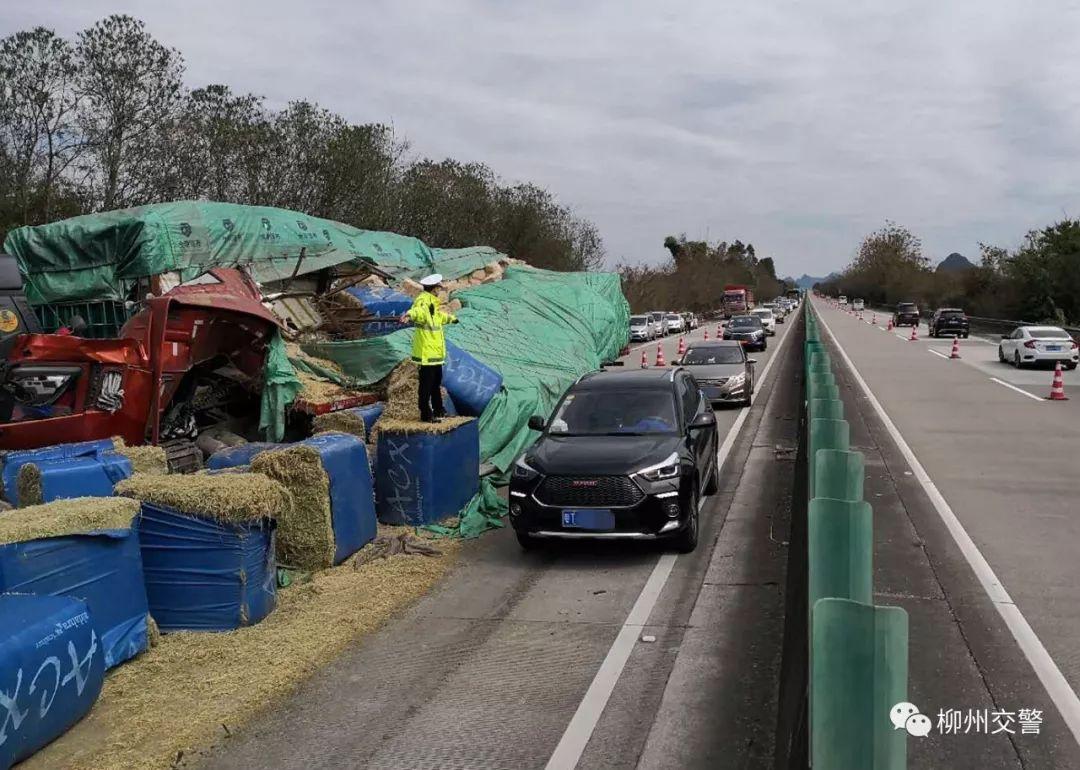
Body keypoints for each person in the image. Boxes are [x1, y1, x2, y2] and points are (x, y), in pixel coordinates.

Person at [399, 273, 458, 422]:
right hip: (427, 352)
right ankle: (426, 414)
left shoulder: (432, 302)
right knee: (426, 386)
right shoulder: (423, 301)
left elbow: (437, 317)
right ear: (434, 288)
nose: (441, 289)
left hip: (435, 353)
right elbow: (419, 312)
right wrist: (409, 315)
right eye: (439, 287)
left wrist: (451, 319)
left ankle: (438, 410)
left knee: (435, 384)